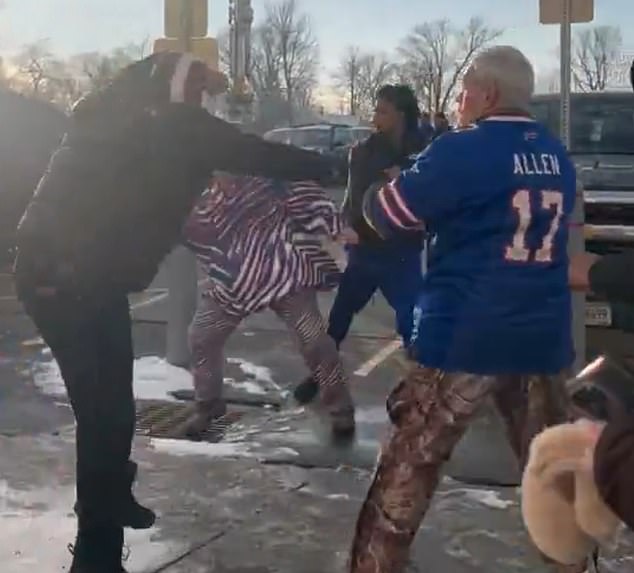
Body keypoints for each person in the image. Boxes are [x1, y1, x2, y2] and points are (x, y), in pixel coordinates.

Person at [13, 51, 333, 573]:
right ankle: (96, 550)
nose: (204, 100)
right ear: (176, 88)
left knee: (113, 404)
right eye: (199, 88)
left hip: (88, 276)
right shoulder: (168, 125)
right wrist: (339, 164)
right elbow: (253, 152)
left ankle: (110, 501)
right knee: (103, 413)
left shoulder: (117, 116)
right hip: (60, 278)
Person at [347, 45, 586, 573]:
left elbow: (386, 216)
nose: (459, 102)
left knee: (405, 480)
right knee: (552, 481)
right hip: (540, 341)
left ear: (488, 94)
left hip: (461, 337)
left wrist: (377, 184)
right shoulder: (557, 156)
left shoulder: (461, 150)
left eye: (464, 91)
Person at [178, 174, 358, 440]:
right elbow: (191, 229)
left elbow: (307, 197)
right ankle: (208, 405)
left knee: (315, 342)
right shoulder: (208, 200)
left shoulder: (269, 181)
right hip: (235, 280)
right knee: (202, 335)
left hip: (285, 274)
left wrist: (335, 225)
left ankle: (340, 408)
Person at [293, 84, 427, 405]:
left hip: (404, 251)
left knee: (412, 319)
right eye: (376, 110)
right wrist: (343, 228)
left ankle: (424, 387)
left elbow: (436, 187)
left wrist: (406, 174)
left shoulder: (424, 148)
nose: (376, 117)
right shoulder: (365, 151)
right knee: (341, 314)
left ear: (402, 114)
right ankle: (319, 375)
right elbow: (355, 199)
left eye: (384, 111)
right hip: (366, 250)